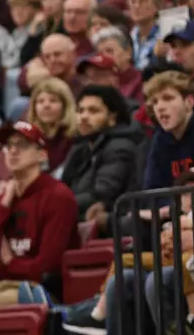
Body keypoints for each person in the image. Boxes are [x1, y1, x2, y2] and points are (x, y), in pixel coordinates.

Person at [0, 122, 79, 310]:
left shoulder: (58, 196)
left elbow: (46, 268)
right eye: (9, 146)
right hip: (3, 287)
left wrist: (11, 263)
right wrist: (3, 207)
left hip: (39, 292)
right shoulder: (8, 198)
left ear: (42, 155)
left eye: (22, 145)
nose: (13, 151)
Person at [59, 86, 143, 233]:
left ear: (112, 117)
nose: (84, 116)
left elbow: (100, 194)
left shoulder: (120, 146)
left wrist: (56, 203)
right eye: (80, 110)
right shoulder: (81, 147)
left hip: (111, 229)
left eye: (93, 111)